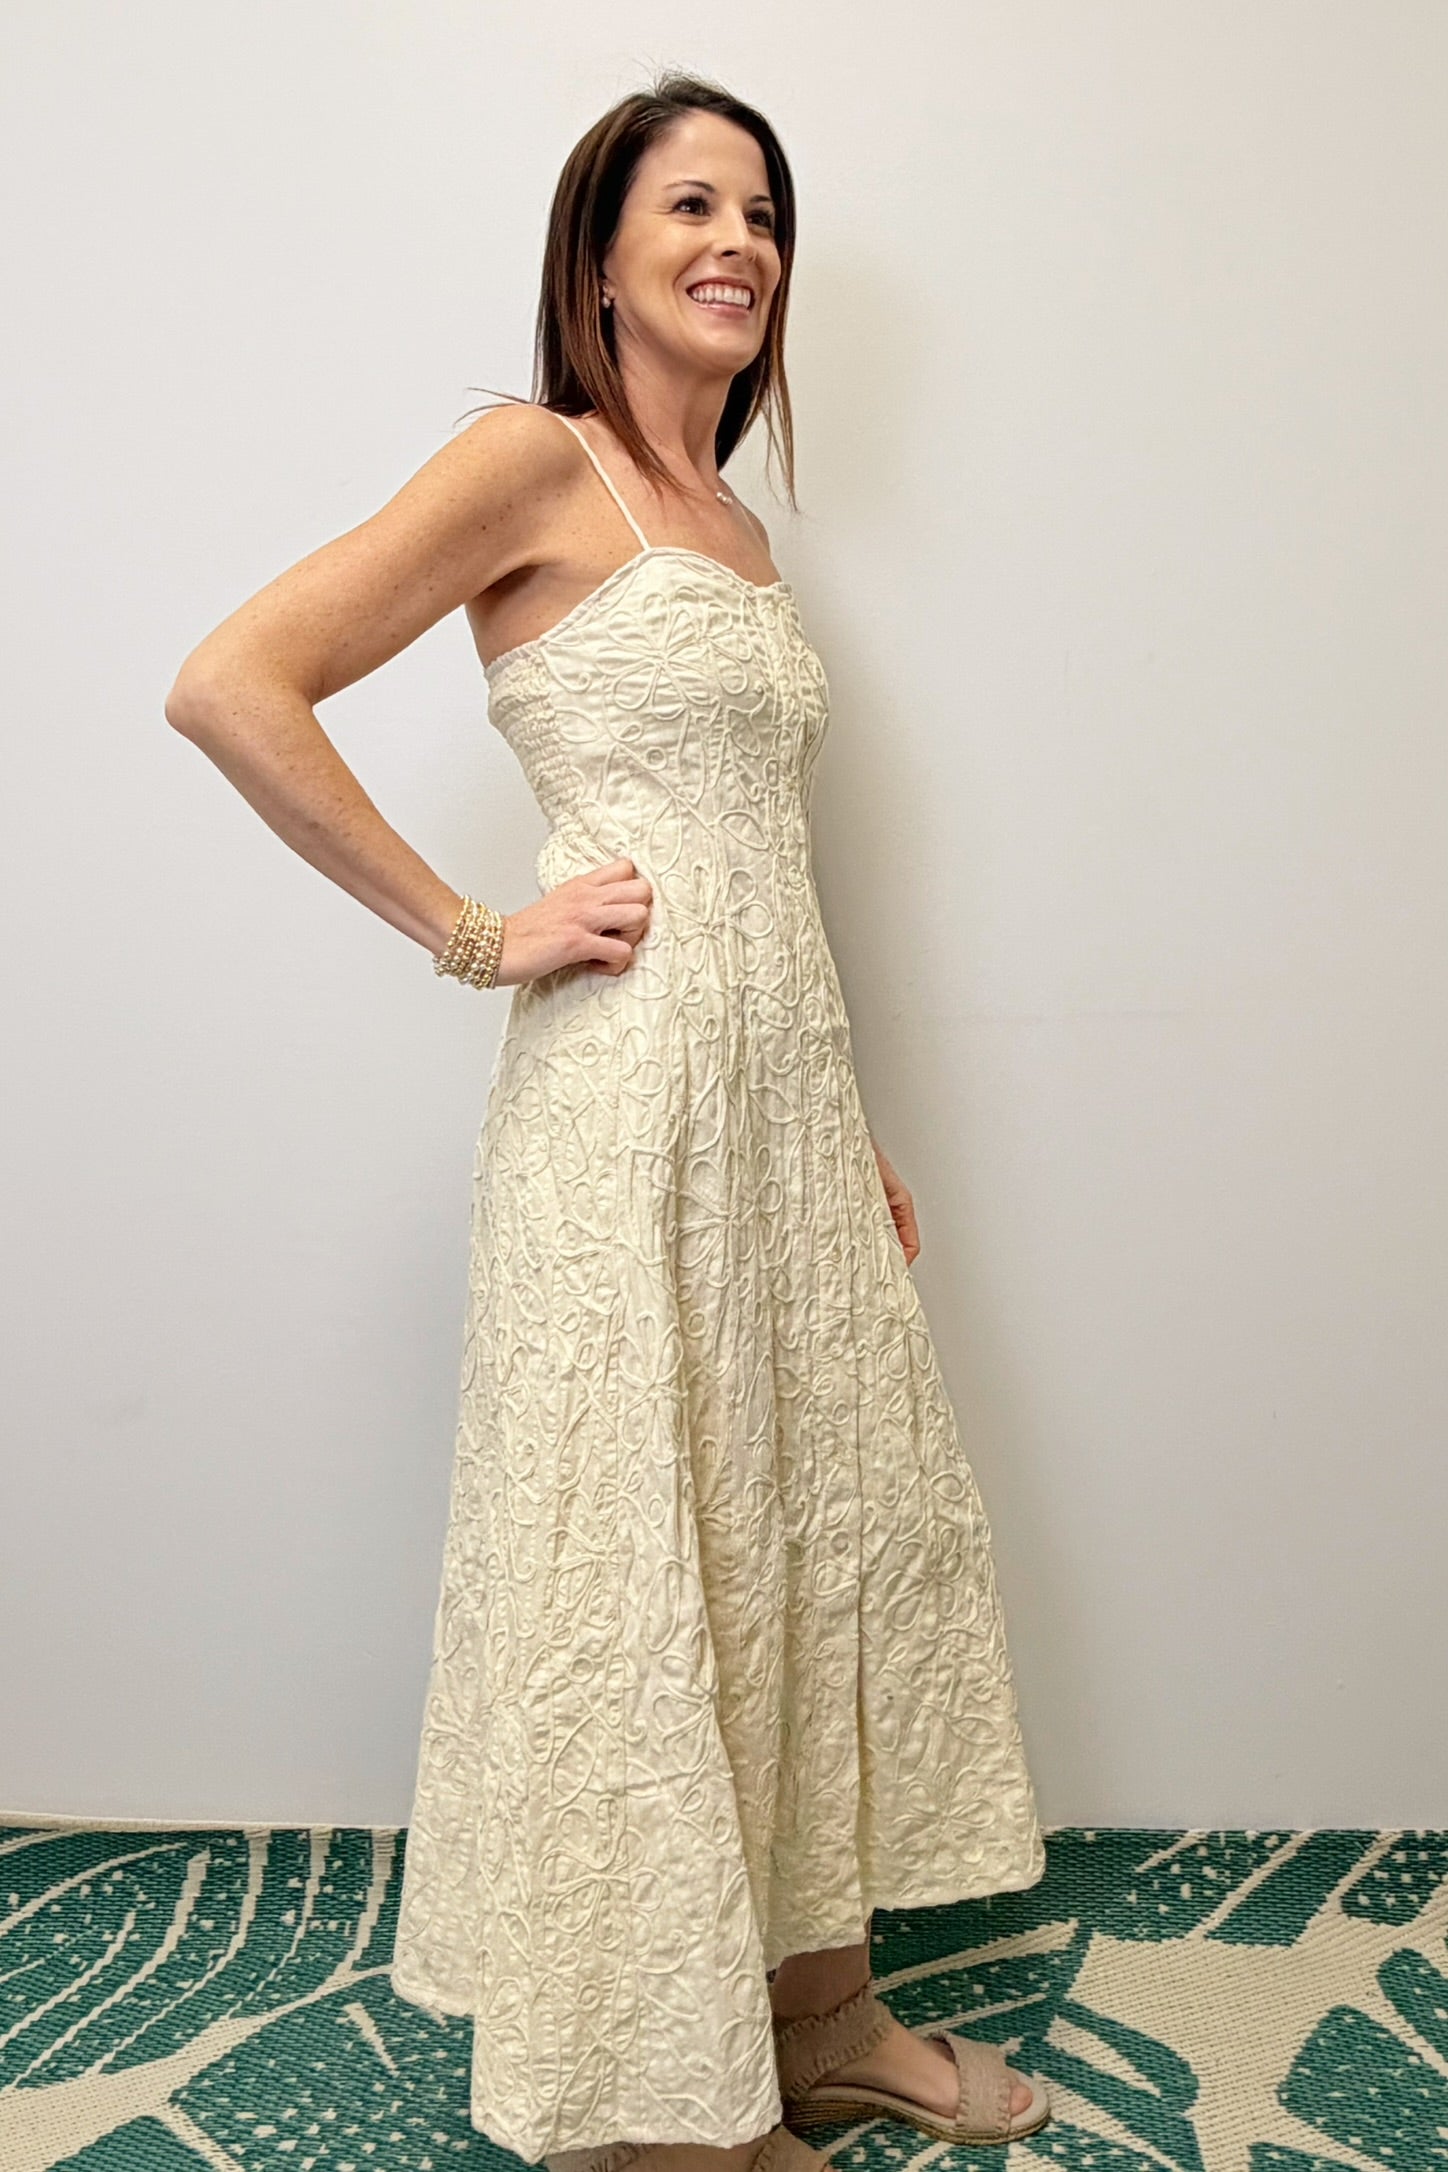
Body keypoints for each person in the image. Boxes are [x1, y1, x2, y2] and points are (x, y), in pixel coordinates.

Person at [165, 67, 1051, 2171]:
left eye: (763, 213)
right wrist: (473, 932)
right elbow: (233, 682)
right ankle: (659, 2093)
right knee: (646, 1555)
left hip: (776, 1125)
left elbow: (763, 859)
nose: (739, 241)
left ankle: (815, 2011)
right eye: (691, 206)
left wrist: (844, 1133)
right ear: (600, 257)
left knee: (802, 1532)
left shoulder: (733, 528)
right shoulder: (526, 461)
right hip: (626, 1109)